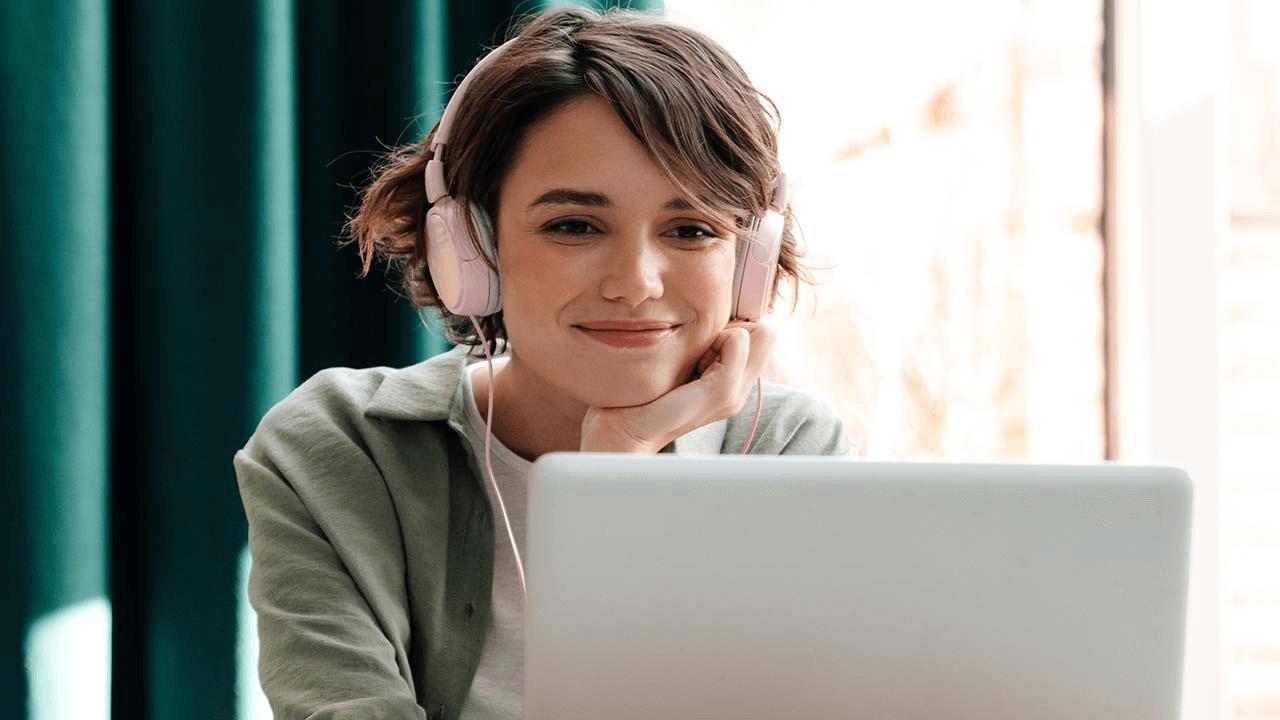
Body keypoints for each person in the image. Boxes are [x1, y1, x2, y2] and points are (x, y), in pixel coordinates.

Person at [234, 6, 854, 720]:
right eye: (573, 226)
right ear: (472, 248)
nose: (637, 282)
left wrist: (619, 463)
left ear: (750, 262)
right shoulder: (338, 449)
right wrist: (608, 476)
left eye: (691, 229)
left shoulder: (788, 454)